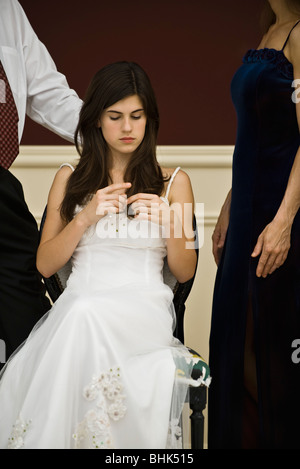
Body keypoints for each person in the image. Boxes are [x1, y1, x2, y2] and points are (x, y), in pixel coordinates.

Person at [0, 61, 203, 449]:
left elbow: (184, 269)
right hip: (81, 303)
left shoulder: (175, 183)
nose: (128, 128)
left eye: (137, 116)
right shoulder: (68, 179)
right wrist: (85, 218)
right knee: (83, 312)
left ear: (150, 120)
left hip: (144, 307)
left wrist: (171, 223)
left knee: (84, 315)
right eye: (115, 116)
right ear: (95, 120)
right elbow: (45, 264)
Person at [209, 0, 300, 449]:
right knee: (234, 340)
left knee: (273, 345)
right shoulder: (270, 30)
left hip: (281, 210)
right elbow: (254, 134)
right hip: (246, 208)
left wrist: (284, 221)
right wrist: (229, 203)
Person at [0, 0, 82, 368]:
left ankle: (20, 418)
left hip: (0, 185)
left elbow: (48, 92)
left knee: (24, 317)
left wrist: (106, 129)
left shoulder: (8, 10)